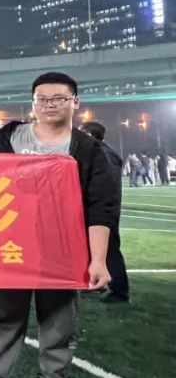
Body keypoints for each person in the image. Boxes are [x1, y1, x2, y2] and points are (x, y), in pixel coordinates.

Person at [0, 72, 115, 378]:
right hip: (11, 245)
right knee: (3, 313)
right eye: (42, 99)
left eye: (59, 99)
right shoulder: (9, 136)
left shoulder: (89, 150)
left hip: (62, 249)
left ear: (75, 102)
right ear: (33, 103)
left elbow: (101, 208)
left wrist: (98, 260)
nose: (49, 105)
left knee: (59, 319)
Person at [79, 121, 129, 304]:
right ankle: (95, 283)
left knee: (109, 250)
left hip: (101, 209)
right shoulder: (109, 152)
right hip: (104, 207)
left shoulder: (99, 154)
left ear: (89, 135)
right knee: (95, 248)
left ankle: (120, 292)